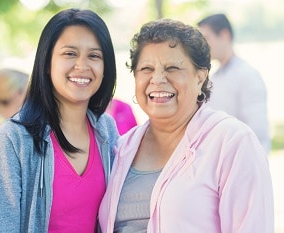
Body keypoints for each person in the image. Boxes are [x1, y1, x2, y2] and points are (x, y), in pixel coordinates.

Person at [98, 18, 274, 232]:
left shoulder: (232, 142)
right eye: (146, 68)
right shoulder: (121, 148)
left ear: (200, 77)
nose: (158, 79)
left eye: (172, 67)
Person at [0, 8, 119, 233]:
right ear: (46, 63)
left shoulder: (106, 130)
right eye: (70, 53)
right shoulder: (13, 141)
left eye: (94, 55)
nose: (82, 65)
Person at [197, 13, 271, 154]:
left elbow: (258, 134)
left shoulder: (247, 76)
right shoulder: (214, 77)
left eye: (206, 38)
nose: (202, 46)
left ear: (224, 35)